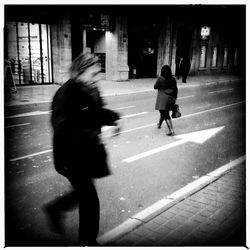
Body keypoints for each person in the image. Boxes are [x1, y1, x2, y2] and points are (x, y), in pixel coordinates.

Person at [43, 52, 121, 246]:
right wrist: (96, 136)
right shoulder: (66, 93)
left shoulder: (90, 89)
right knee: (89, 199)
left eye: (98, 73)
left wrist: (114, 118)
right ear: (80, 72)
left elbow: (97, 112)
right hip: (70, 158)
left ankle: (55, 209)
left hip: (85, 155)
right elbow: (62, 129)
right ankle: (87, 241)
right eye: (93, 74)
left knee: (82, 193)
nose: (97, 78)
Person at [154, 65, 178, 136]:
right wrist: (175, 98)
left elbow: (155, 87)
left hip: (162, 100)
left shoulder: (160, 78)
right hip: (171, 99)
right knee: (164, 111)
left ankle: (171, 130)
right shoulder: (173, 79)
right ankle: (159, 124)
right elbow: (176, 89)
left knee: (165, 114)